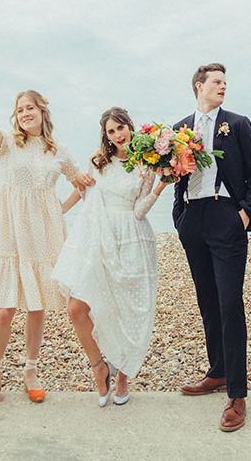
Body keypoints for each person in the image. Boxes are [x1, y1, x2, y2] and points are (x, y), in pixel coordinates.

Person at [0, 91, 92, 406]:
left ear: (42, 111)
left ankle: (31, 369)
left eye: (30, 107)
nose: (25, 113)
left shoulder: (60, 151)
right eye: (19, 109)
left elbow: (80, 184)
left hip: (43, 235)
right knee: (4, 310)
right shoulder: (6, 144)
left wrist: (59, 210)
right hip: (9, 232)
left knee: (36, 305)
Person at [172, 63, 251, 433]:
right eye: (216, 82)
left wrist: (244, 214)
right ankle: (219, 372)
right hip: (192, 217)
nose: (223, 86)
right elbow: (172, 171)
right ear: (199, 86)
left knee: (229, 303)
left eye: (226, 82)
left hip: (227, 214)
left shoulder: (238, 124)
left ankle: (238, 395)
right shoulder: (179, 128)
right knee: (207, 300)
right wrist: (179, 215)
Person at [53, 107, 165, 407]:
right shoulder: (97, 161)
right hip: (97, 238)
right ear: (106, 135)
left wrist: (163, 184)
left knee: (126, 310)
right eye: (111, 131)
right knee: (76, 308)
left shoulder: (146, 164)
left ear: (131, 127)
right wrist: (60, 209)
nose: (118, 135)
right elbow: (84, 192)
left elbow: (140, 210)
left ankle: (124, 374)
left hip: (132, 238)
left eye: (121, 128)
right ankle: (99, 366)